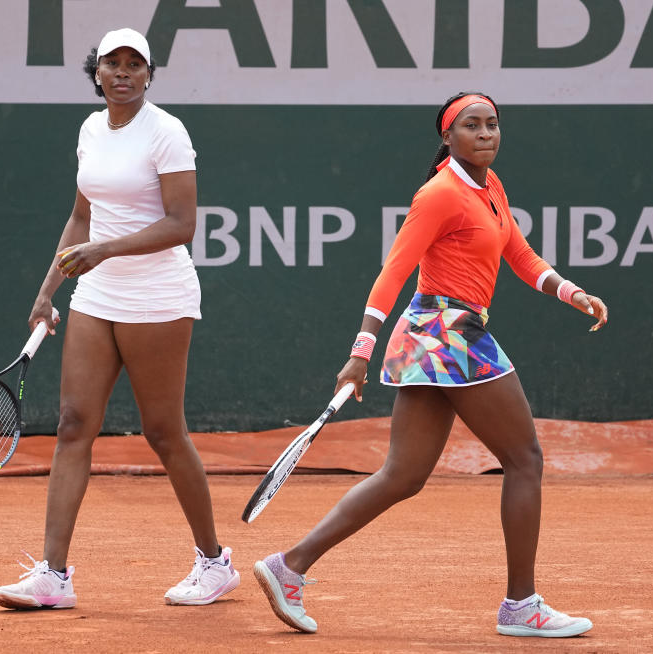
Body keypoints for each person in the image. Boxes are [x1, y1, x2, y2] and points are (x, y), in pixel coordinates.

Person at [253, 92, 608, 637]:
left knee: (402, 475)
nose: (486, 134)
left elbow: (519, 253)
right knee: (524, 459)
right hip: (451, 335)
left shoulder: (489, 187)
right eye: (472, 125)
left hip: (430, 337)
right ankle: (521, 606)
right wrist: (359, 354)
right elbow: (393, 273)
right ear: (448, 136)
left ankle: (289, 566)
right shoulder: (439, 194)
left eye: (493, 124)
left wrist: (571, 292)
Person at [0, 28, 239, 609]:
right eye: (112, 64)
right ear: (96, 72)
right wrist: (47, 290)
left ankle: (213, 561)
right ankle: (53, 575)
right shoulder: (89, 129)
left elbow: (182, 225)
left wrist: (106, 249)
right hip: (96, 294)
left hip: (157, 295)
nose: (123, 73)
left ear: (149, 75)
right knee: (75, 423)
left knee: (163, 431)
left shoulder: (167, 132)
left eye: (135, 64)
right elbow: (82, 216)